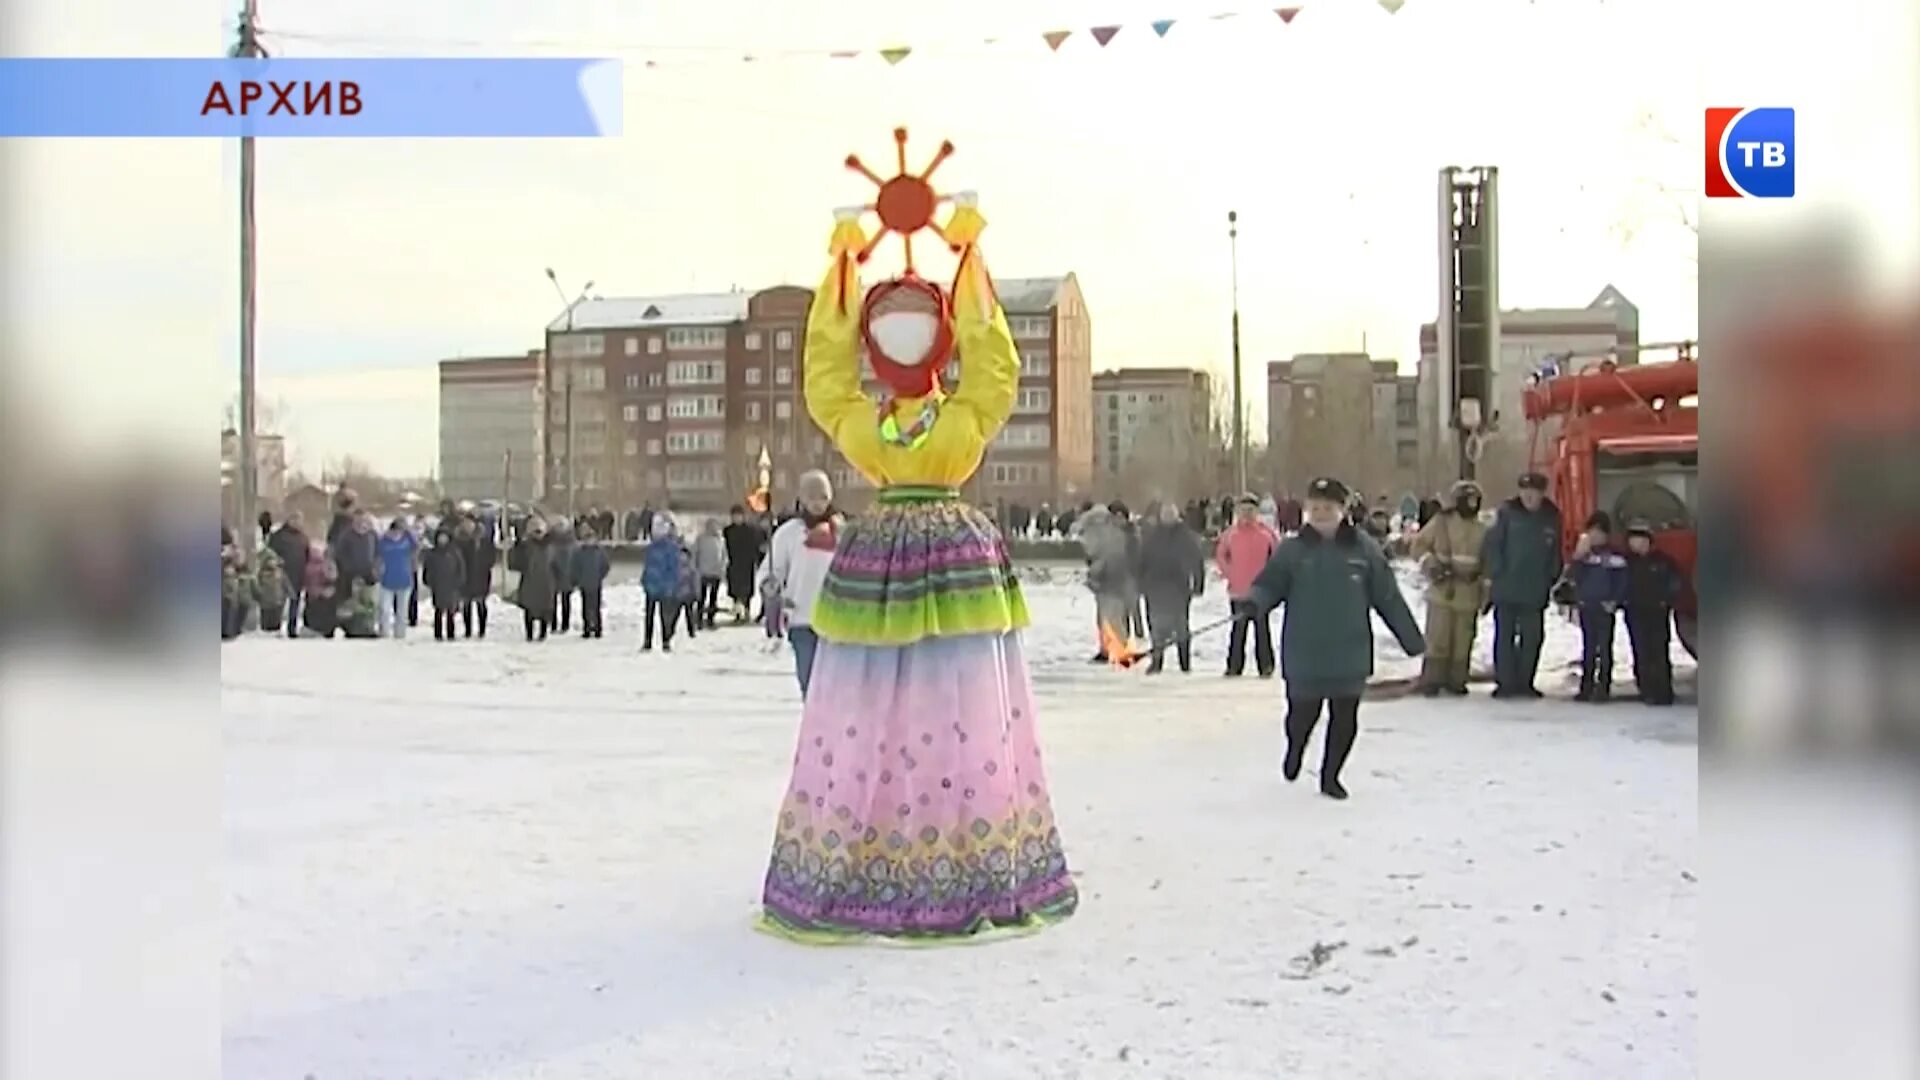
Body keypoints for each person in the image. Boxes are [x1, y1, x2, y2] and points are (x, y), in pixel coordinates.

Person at [757, 196, 1076, 943]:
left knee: (958, 701)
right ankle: (884, 844)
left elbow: (989, 365)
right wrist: (841, 272)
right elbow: (832, 381)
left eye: (919, 330)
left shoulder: (944, 418)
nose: (906, 341)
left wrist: (967, 265)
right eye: (890, 331)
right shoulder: (901, 421)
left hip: (924, 553)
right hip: (916, 553)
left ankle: (960, 847)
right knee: (882, 702)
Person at [1242, 476, 1426, 800]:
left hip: (1349, 651)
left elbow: (1388, 597)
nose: (1321, 513)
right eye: (1315, 507)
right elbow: (1270, 584)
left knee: (1345, 720)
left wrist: (1411, 639)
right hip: (1305, 652)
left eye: (1328, 507)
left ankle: (1331, 776)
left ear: (1342, 510)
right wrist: (1255, 601)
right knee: (1301, 716)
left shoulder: (1364, 549)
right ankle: (1295, 747)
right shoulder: (1292, 550)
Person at [1482, 471, 1563, 700]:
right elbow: (1493, 544)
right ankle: (1505, 682)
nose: (1529, 497)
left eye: (1533, 493)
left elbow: (1555, 551)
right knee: (1504, 637)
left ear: (1541, 494)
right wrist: (1496, 572)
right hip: (1507, 587)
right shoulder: (1507, 513)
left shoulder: (1551, 516)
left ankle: (1525, 681)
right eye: (1525, 492)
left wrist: (1551, 576)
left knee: (1532, 638)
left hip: (1535, 589)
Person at [1410, 480, 1490, 696]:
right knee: (1438, 638)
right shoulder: (1441, 523)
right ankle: (1432, 681)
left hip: (1468, 593)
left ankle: (1457, 680)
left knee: (1463, 641)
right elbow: (1418, 545)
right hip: (1442, 591)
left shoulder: (1483, 530)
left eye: (1475, 500)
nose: (1472, 504)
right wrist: (1430, 564)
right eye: (1467, 499)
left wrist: (1486, 591)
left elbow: (1488, 563)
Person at [766, 471, 840, 696]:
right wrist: (770, 583)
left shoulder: (842, 532)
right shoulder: (789, 534)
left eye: (823, 498)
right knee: (809, 682)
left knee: (834, 686)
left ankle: (834, 727)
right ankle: (815, 726)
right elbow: (773, 568)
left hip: (838, 620)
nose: (818, 504)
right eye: (812, 498)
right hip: (801, 617)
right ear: (803, 500)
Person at [1560, 511, 1628, 702]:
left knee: (1605, 648)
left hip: (1605, 607)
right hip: (1587, 606)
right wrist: (1578, 557)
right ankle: (1586, 685)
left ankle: (1603, 686)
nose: (1595, 536)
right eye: (1592, 532)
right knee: (1588, 647)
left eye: (1599, 532)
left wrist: (1615, 600)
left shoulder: (1615, 556)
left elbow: (1621, 581)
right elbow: (1572, 577)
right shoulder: (1584, 556)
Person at [1216, 494, 1280, 678]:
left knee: (1262, 631)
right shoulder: (1230, 535)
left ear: (1257, 512)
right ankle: (1234, 666)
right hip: (1238, 591)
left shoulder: (1267, 534)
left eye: (1251, 510)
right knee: (1238, 631)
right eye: (1243, 510)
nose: (1247, 514)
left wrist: (1269, 579)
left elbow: (1276, 558)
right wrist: (1230, 573)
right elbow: (1221, 556)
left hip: (1260, 592)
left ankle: (1266, 665)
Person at [1138, 501, 1206, 674]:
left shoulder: (1186, 536)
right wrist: (1140, 583)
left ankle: (1185, 662)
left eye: (1171, 515)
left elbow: (1197, 561)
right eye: (1165, 515)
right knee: (1156, 627)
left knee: (1181, 626)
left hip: (1178, 588)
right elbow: (1141, 560)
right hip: (1155, 587)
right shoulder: (1152, 536)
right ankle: (1157, 661)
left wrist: (1198, 584)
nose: (1167, 518)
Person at [1621, 518, 1681, 705]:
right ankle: (1646, 689)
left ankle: (1663, 690)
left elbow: (1675, 583)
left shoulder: (1663, 561)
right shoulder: (1627, 563)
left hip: (1657, 612)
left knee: (1659, 651)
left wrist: (1666, 600)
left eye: (1638, 538)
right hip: (1635, 611)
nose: (1634, 543)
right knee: (1640, 650)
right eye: (1631, 539)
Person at [1073, 503, 1138, 661]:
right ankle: (1106, 649)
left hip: (1120, 582)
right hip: (1106, 582)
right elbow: (1097, 555)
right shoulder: (1109, 535)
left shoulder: (1128, 535)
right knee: (1103, 619)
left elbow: (1128, 558)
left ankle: (1121, 650)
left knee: (1116, 619)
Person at [507, 515, 556, 642]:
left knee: (544, 608)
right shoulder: (525, 547)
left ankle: (542, 633)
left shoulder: (550, 546)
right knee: (529, 608)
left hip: (546, 581)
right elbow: (516, 564)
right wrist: (516, 547)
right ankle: (529, 633)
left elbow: (556, 564)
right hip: (530, 580)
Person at [265, 510, 311, 639]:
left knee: (295, 602)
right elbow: (270, 553)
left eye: (299, 520)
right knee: (280, 601)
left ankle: (292, 628)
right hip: (282, 572)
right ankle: (276, 627)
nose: (297, 522)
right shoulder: (279, 536)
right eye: (294, 519)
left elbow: (307, 554)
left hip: (298, 572)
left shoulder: (303, 537)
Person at [641, 516, 684, 652]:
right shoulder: (651, 548)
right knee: (649, 615)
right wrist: (644, 580)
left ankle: (666, 641)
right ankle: (647, 641)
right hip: (651, 585)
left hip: (664, 586)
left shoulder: (671, 548)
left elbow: (674, 568)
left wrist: (671, 584)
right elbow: (647, 565)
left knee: (664, 615)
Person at [374, 517, 419, 639]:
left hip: (404, 580)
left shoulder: (407, 540)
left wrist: (408, 530)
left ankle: (400, 634)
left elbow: (416, 547)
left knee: (402, 611)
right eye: (395, 531)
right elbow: (377, 557)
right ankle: (385, 633)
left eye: (400, 531)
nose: (397, 534)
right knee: (385, 610)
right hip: (387, 580)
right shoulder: (383, 542)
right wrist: (377, 571)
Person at [421, 528, 467, 642]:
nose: (442, 539)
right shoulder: (432, 553)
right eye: (440, 537)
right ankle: (438, 634)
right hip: (438, 585)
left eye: (444, 537)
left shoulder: (454, 552)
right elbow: (427, 569)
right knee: (438, 610)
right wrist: (429, 581)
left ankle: (451, 633)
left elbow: (461, 567)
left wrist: (459, 581)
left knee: (451, 611)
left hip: (451, 585)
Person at [723, 505, 767, 624]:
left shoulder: (749, 530)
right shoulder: (727, 531)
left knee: (747, 590)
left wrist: (757, 559)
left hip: (747, 563)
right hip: (733, 563)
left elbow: (756, 545)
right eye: (734, 516)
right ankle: (738, 613)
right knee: (735, 589)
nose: (736, 518)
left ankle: (746, 611)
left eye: (738, 516)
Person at [454, 516, 494, 639]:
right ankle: (468, 630)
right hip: (465, 576)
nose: (467, 526)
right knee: (466, 605)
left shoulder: (483, 540)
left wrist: (485, 564)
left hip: (481, 575)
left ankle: (482, 630)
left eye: (469, 523)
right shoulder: (459, 540)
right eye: (465, 523)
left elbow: (491, 556)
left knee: (481, 603)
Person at [572, 525, 612, 638]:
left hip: (596, 583)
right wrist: (577, 578)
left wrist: (600, 576)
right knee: (585, 607)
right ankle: (587, 628)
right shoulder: (579, 552)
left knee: (596, 607)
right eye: (587, 538)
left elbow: (606, 566)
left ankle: (598, 628)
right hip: (584, 584)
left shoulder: (599, 552)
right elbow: (575, 566)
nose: (589, 541)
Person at [694, 517, 727, 629]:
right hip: (704, 571)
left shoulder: (721, 540)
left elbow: (724, 556)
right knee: (701, 597)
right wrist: (695, 567)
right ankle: (698, 618)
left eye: (714, 525)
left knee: (713, 597)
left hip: (716, 572)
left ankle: (710, 618)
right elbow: (695, 553)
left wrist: (723, 568)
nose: (712, 528)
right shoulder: (701, 539)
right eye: (710, 525)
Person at [548, 518, 579, 634]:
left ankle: (562, 624)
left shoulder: (569, 542)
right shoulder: (553, 541)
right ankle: (555, 624)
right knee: (555, 601)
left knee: (563, 600)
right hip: (558, 574)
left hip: (565, 574)